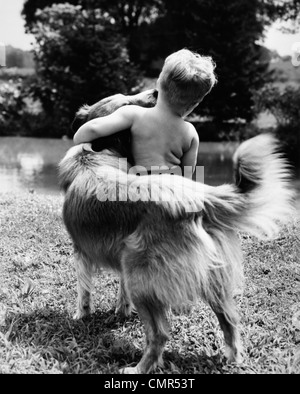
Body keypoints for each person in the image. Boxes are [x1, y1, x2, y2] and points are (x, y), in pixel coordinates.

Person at [73, 48, 217, 176]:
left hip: (140, 188)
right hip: (171, 194)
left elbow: (92, 129)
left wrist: (79, 138)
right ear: (194, 104)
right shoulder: (190, 133)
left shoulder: (134, 114)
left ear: (158, 84)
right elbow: (187, 177)